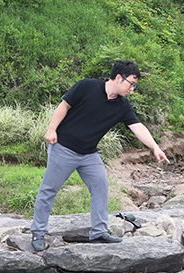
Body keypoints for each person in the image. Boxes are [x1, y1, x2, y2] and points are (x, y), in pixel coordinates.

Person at [30, 59, 167, 252]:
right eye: (131, 83)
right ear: (119, 78)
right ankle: (37, 231)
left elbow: (137, 127)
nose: (132, 89)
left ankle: (99, 233)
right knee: (49, 190)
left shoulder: (122, 105)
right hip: (64, 148)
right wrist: (51, 130)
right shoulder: (86, 86)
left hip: (89, 154)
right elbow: (64, 106)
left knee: (101, 185)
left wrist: (155, 147)